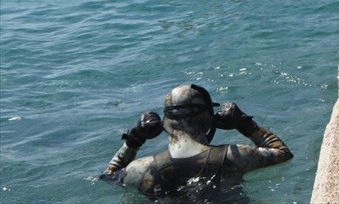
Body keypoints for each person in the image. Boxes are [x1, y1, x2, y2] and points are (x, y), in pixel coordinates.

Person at [101, 83, 292, 200]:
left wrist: (134, 139)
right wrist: (244, 123)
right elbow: (283, 153)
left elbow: (109, 176)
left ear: (165, 122)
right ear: (209, 118)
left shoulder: (141, 169)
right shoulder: (234, 156)